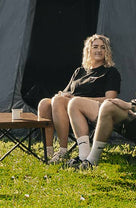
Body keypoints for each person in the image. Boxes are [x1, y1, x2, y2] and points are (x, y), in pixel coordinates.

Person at [66, 34, 136, 170]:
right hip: (130, 114)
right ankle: (83, 156)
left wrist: (130, 106)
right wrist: (127, 107)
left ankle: (91, 161)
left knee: (109, 104)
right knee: (75, 103)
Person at [37, 34, 121, 164]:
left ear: (107, 51)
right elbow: (66, 92)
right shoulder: (80, 71)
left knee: (59, 101)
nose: (99, 50)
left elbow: (110, 99)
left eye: (102, 47)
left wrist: (76, 98)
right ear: (89, 50)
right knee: (44, 103)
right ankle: (48, 151)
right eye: (95, 47)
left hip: (92, 111)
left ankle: (63, 151)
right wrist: (61, 95)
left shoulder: (110, 72)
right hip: (69, 110)